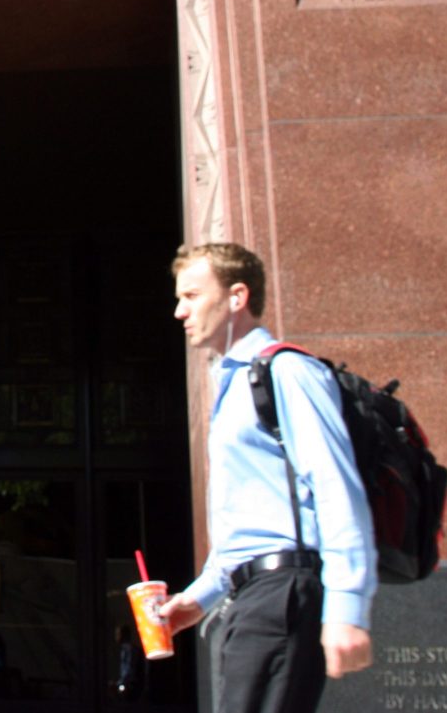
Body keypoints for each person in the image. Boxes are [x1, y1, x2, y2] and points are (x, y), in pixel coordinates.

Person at [161, 243, 375, 713]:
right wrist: (199, 599)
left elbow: (338, 488)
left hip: (283, 594)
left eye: (192, 295)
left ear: (237, 296)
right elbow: (249, 516)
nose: (180, 311)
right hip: (251, 599)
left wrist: (347, 608)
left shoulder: (286, 372)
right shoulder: (235, 384)